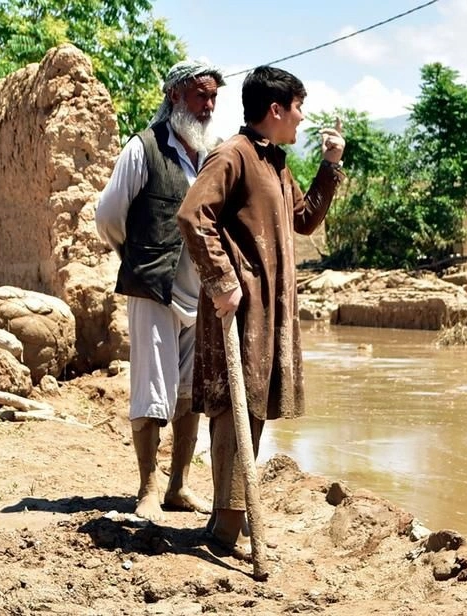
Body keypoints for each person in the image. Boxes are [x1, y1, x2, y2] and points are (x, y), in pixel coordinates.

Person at [176, 65, 345, 553]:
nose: (301, 118)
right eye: (298, 109)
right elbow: (193, 216)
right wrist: (222, 281)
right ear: (276, 109)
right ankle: (227, 525)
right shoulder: (232, 155)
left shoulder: (274, 161)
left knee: (251, 408)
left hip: (269, 311)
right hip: (241, 309)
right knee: (236, 408)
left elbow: (305, 220)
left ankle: (226, 519)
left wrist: (330, 165)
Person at [95, 59, 225, 522]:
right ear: (175, 97)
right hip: (154, 288)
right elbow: (108, 214)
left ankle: (178, 486)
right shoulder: (144, 148)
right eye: (200, 96)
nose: (208, 106)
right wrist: (135, 258)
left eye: (213, 97)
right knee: (151, 390)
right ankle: (147, 488)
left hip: (200, 295)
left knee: (188, 391)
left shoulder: (211, 155)